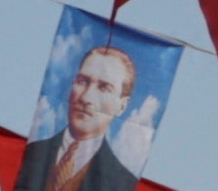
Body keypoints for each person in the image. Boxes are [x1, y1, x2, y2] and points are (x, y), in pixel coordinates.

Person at [34, 45, 141, 191]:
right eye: (83, 81)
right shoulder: (30, 153)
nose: (86, 97)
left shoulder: (123, 183)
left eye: (104, 88)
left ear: (122, 106)